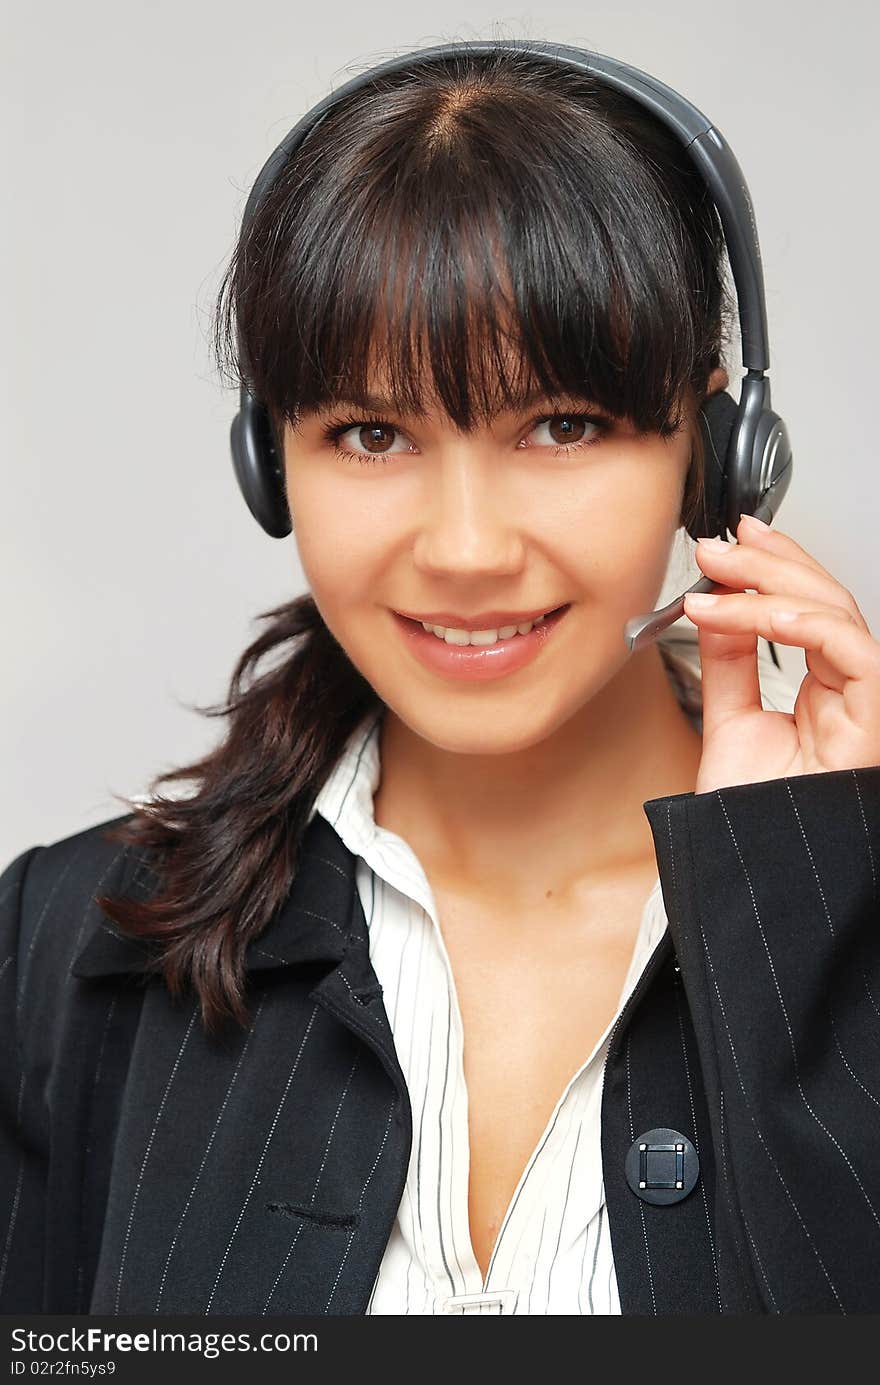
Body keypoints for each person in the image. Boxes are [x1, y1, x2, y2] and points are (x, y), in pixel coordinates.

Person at [2, 41, 879, 1318]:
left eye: (561, 426)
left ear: (719, 454)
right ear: (270, 465)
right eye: (370, 434)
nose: (466, 551)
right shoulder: (63, 945)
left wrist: (793, 899)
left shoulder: (841, 919)